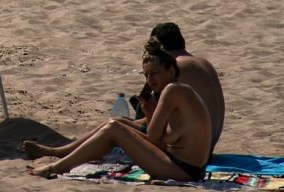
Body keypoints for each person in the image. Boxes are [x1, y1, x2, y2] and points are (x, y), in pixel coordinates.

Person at [28, 23, 222, 182]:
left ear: (169, 68)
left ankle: (56, 167)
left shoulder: (173, 86)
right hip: (194, 157)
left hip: (185, 170)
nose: (150, 81)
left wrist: (146, 111)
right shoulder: (195, 70)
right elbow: (163, 138)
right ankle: (63, 154)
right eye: (146, 76)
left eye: (154, 74)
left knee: (115, 128)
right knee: (117, 124)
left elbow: (154, 137)